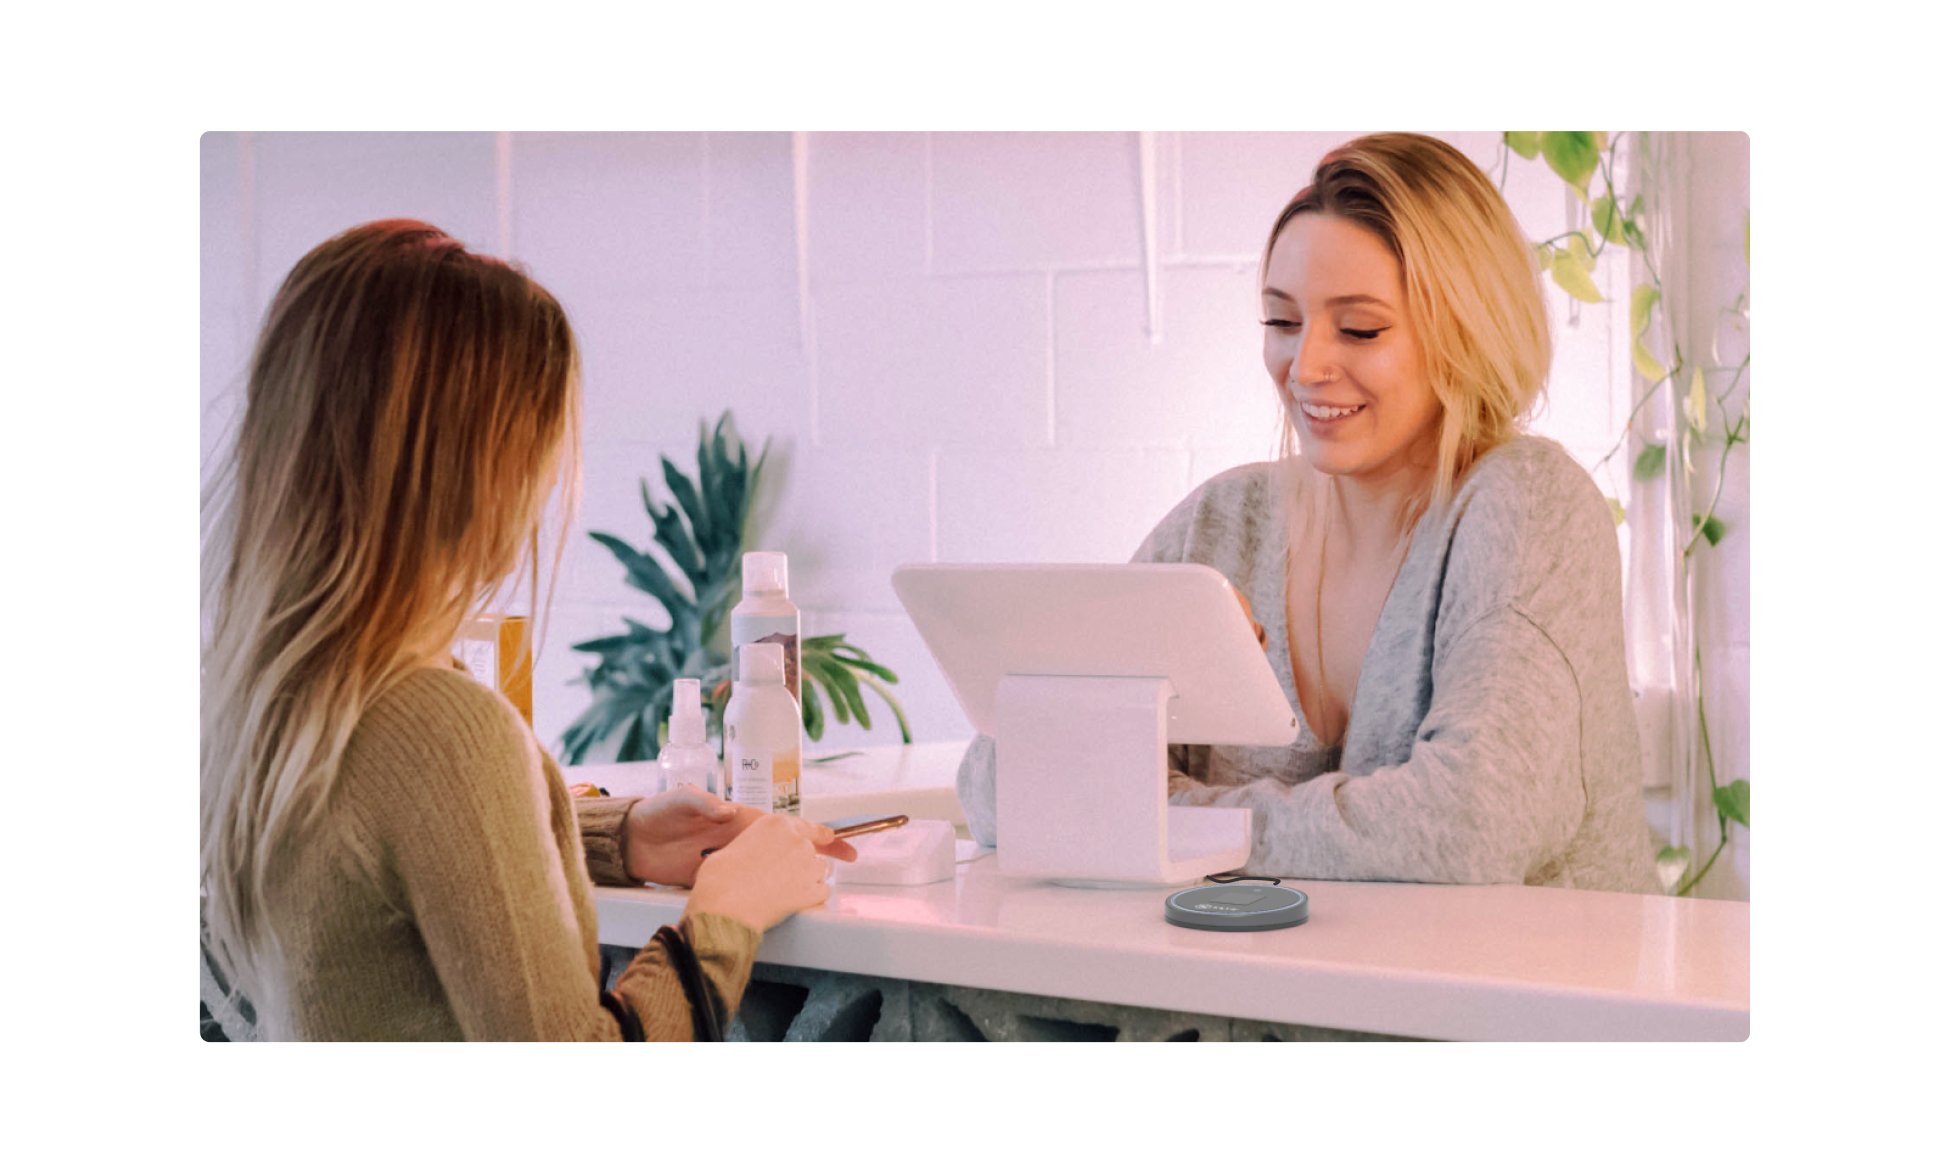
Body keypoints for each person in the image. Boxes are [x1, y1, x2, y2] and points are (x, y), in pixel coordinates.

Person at [200, 219, 854, 1041]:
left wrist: (611, 839)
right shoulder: (443, 730)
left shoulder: (261, 701)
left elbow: (382, 858)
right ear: (481, 469)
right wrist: (725, 914)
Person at [957, 134, 1658, 894]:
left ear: (1468, 330)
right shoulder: (1224, 526)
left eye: (1359, 328)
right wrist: (1140, 707)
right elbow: (999, 787)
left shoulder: (1527, 507)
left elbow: (1467, 826)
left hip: (1521, 1004)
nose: (1307, 366)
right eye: (1282, 322)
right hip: (1281, 1000)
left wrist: (1169, 822)